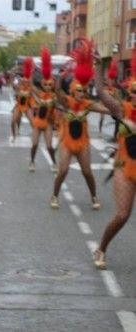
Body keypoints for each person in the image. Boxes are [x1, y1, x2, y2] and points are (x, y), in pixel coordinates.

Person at [50, 39, 108, 209]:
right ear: (73, 91)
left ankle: (94, 196)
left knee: (87, 172)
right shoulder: (66, 102)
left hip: (82, 143)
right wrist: (59, 78)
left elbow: (106, 109)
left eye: (83, 91)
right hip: (67, 142)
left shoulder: (88, 105)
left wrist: (115, 109)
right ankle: (54, 195)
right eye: (78, 91)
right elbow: (58, 92)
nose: (81, 93)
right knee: (63, 170)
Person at [92, 49, 136, 269]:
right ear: (130, 93)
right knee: (122, 215)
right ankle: (101, 248)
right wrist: (99, 67)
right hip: (124, 168)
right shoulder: (121, 110)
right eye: (135, 91)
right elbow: (100, 92)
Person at [29, 47, 57, 172]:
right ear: (42, 84)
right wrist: (30, 72)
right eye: (45, 84)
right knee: (34, 144)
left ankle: (54, 163)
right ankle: (32, 162)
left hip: (48, 123)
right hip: (37, 122)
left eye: (50, 84)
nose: (48, 86)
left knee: (50, 146)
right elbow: (30, 86)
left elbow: (58, 107)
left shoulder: (55, 96)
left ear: (53, 85)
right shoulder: (39, 93)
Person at [97, 59, 122, 140]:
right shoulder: (104, 89)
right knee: (101, 118)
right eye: (108, 80)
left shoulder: (116, 91)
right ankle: (100, 131)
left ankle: (116, 135)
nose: (110, 82)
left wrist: (114, 97)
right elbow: (100, 94)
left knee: (119, 120)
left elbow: (119, 101)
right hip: (104, 106)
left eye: (111, 80)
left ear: (113, 81)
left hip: (113, 108)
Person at [11, 58, 34, 141]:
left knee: (32, 122)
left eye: (21, 64)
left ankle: (34, 136)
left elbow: (31, 86)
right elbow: (14, 86)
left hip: (27, 104)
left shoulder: (28, 75)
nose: (20, 66)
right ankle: (14, 135)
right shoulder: (17, 76)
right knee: (14, 120)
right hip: (19, 103)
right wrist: (13, 76)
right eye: (19, 64)